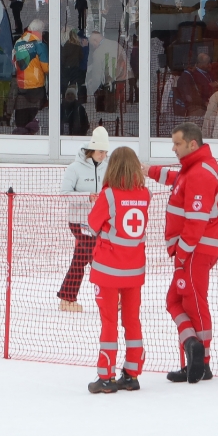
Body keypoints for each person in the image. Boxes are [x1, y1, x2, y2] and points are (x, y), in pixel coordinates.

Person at [147, 121, 218, 384]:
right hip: (192, 250)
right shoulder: (193, 169)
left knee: (193, 303)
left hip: (195, 250)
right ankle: (193, 347)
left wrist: (181, 254)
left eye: (177, 144)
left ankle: (201, 362)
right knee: (175, 300)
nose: (173, 148)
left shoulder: (200, 173)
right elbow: (177, 180)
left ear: (193, 144)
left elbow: (195, 222)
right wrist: (148, 171)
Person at [86, 144, 151, 393]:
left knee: (109, 322)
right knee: (132, 320)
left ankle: (106, 376)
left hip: (108, 271)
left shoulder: (109, 195)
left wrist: (98, 202)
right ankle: (132, 373)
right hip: (134, 271)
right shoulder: (145, 195)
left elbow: (92, 225)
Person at [58, 127, 110, 311]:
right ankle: (111, 295)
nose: (103, 155)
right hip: (79, 222)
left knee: (80, 258)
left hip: (99, 222)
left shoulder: (108, 167)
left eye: (105, 152)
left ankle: (67, 298)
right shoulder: (74, 168)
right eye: (100, 151)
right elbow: (64, 194)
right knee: (94, 256)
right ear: (91, 149)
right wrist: (87, 196)